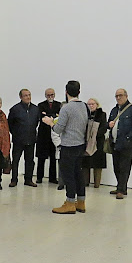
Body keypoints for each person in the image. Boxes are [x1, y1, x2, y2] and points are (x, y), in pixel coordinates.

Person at [43, 80, 89, 214]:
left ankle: (70, 203)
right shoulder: (84, 106)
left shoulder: (66, 108)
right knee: (78, 174)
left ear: (66, 92)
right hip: (80, 144)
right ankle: (81, 202)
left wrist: (50, 122)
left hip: (68, 146)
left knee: (68, 175)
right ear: (79, 92)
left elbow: (58, 129)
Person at [107, 88, 132, 199]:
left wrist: (129, 136)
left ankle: (121, 190)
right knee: (116, 167)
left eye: (121, 95)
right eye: (116, 96)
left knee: (124, 168)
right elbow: (108, 124)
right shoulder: (114, 110)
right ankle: (120, 187)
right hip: (115, 143)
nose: (118, 98)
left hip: (127, 144)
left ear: (126, 96)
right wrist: (108, 125)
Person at [8, 88, 40, 187]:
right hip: (18, 140)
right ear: (21, 97)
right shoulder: (15, 109)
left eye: (29, 95)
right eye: (26, 95)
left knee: (30, 160)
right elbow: (10, 124)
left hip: (31, 139)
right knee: (16, 160)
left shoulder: (35, 109)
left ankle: (28, 179)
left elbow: (36, 122)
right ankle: (14, 180)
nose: (28, 97)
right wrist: (16, 134)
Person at [81, 98, 108, 188]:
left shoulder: (102, 114)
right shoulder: (84, 114)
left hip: (98, 142)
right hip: (86, 142)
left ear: (97, 105)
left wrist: (94, 136)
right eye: (89, 104)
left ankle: (97, 183)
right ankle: (85, 182)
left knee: (98, 163)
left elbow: (103, 128)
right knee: (85, 163)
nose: (91, 106)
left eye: (93, 104)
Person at [36, 88, 61, 184]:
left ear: (54, 95)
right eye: (48, 95)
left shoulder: (59, 105)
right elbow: (42, 117)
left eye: (52, 95)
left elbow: (59, 117)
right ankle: (39, 177)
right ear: (45, 95)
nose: (50, 97)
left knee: (53, 157)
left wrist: (48, 115)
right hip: (43, 135)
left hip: (54, 134)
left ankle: (53, 178)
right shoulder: (41, 105)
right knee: (41, 157)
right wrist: (53, 115)